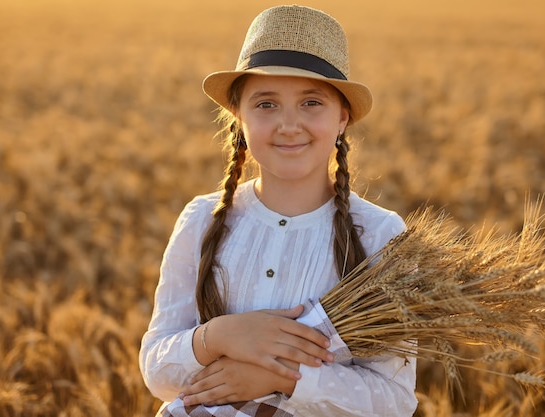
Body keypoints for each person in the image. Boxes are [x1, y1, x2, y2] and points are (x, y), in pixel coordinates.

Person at [139, 5, 417, 417]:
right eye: (266, 104)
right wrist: (219, 337)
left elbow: (394, 401)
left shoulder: (379, 235)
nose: (289, 124)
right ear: (238, 117)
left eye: (311, 103)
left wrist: (284, 378)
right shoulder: (201, 220)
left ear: (343, 118)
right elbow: (157, 372)